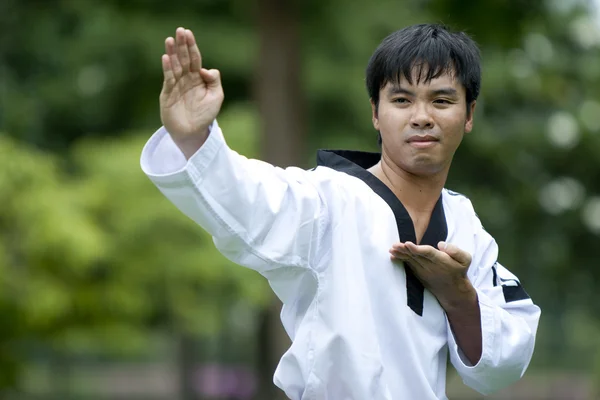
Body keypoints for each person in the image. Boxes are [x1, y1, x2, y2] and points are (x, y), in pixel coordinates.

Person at [141, 23, 541, 400]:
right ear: (375, 112)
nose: (422, 117)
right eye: (401, 100)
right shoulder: (327, 200)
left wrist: (458, 295)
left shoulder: (465, 225)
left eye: (442, 100)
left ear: (468, 115)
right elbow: (246, 196)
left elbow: (501, 365)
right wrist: (192, 135)